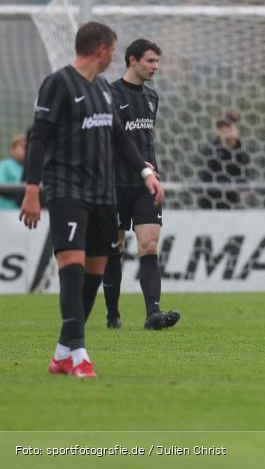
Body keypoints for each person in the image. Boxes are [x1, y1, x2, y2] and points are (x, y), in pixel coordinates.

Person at [19, 21, 164, 379]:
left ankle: (62, 351)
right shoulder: (57, 84)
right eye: (113, 50)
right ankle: (80, 353)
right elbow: (38, 139)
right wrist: (33, 188)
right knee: (72, 263)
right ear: (101, 49)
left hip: (103, 192)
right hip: (67, 189)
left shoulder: (102, 89)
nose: (114, 56)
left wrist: (146, 172)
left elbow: (120, 138)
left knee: (95, 272)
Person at [102, 38, 180, 330]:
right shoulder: (109, 94)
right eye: (150, 61)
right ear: (132, 60)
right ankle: (113, 314)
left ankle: (153, 315)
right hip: (115, 184)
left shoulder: (152, 97)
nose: (155, 67)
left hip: (147, 185)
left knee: (149, 244)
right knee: (115, 249)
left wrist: (150, 171)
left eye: (157, 62)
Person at [197, 110, 251, 209]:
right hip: (209, 205)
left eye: (229, 126)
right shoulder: (210, 150)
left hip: (234, 205)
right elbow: (206, 178)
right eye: (221, 127)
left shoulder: (242, 152)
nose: (225, 130)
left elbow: (244, 180)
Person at [0, 133, 26, 209]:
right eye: (23, 147)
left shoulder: (33, 168)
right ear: (13, 149)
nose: (26, 150)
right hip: (6, 211)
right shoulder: (5, 165)